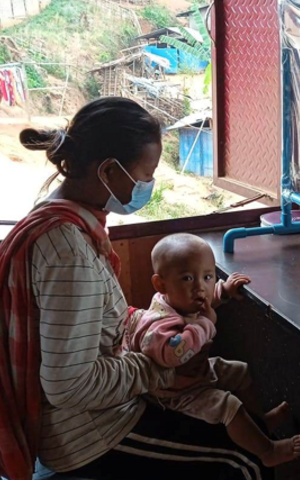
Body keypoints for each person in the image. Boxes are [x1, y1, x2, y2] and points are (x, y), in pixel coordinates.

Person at [0, 97, 274, 480]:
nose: (148, 185)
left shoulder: (66, 222)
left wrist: (147, 328)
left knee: (237, 423)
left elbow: (93, 323)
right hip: (89, 435)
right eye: (147, 174)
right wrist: (161, 368)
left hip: (105, 410)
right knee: (243, 464)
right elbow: (69, 387)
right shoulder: (68, 251)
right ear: (109, 171)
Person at [125, 233, 300, 467]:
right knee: (228, 405)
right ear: (161, 284)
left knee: (240, 371)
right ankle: (267, 450)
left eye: (208, 277)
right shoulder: (158, 322)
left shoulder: (182, 300)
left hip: (193, 375)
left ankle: (258, 423)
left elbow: (204, 303)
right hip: (173, 393)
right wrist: (205, 324)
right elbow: (172, 354)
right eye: (188, 278)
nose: (200, 287)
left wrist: (224, 291)